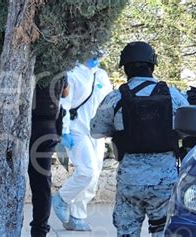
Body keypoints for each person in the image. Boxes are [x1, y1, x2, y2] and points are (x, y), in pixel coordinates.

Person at [90, 41, 189, 237]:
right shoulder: (173, 96)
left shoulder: (115, 98)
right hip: (165, 181)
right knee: (162, 231)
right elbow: (190, 128)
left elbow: (96, 131)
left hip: (130, 181)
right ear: (152, 66)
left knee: (127, 232)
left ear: (125, 68)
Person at [52, 51, 113, 231]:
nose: (98, 54)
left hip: (97, 131)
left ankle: (77, 216)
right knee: (87, 171)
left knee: (94, 176)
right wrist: (64, 131)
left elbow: (108, 102)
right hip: (76, 129)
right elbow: (64, 103)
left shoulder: (101, 75)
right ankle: (61, 198)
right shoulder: (72, 73)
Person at [28, 74, 69, 237]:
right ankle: (39, 229)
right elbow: (66, 93)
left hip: (28, 126)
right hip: (47, 129)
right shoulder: (59, 66)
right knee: (41, 183)